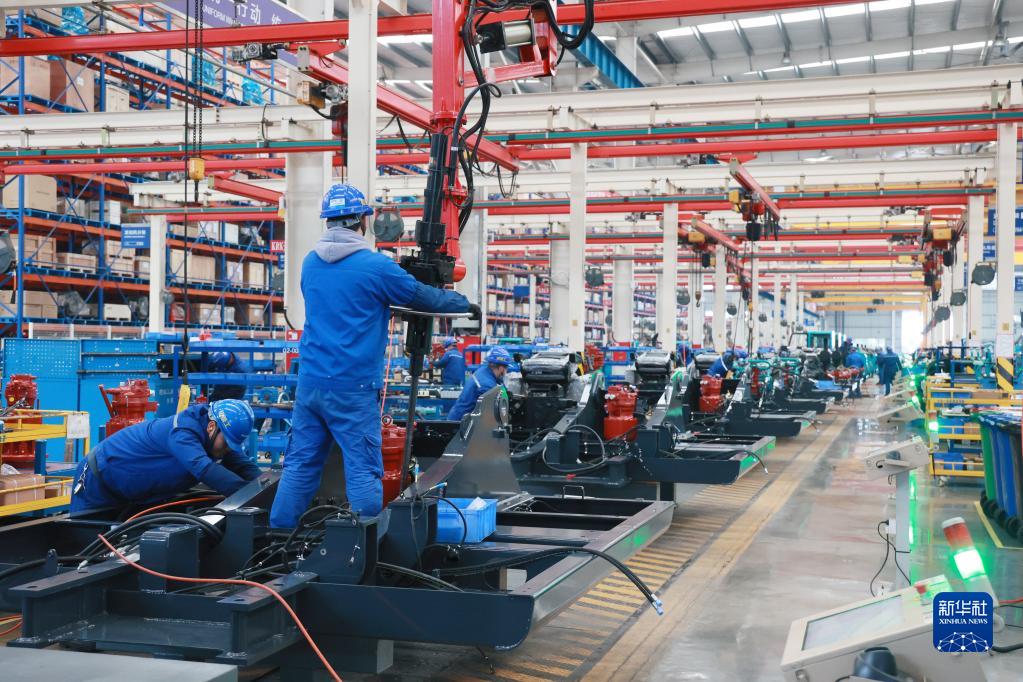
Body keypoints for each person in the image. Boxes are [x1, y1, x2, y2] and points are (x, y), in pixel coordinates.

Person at [270, 183, 477, 529]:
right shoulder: (375, 267)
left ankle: (278, 538)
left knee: (300, 465)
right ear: (362, 221)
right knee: (363, 468)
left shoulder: (310, 264)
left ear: (328, 221)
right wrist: (463, 304)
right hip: (352, 389)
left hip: (310, 385)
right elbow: (422, 297)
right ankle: (362, 546)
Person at [70, 399, 259, 516]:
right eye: (227, 443)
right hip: (97, 483)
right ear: (211, 427)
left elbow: (243, 465)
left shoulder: (217, 437)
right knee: (86, 552)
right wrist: (249, 496)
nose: (228, 449)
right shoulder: (183, 432)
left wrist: (266, 488)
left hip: (134, 495)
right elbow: (204, 469)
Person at [447, 347, 512, 421]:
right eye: (506, 368)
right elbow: (494, 413)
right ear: (501, 368)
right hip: (460, 423)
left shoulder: (485, 371)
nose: (506, 372)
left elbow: (499, 382)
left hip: (458, 417)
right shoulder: (487, 385)